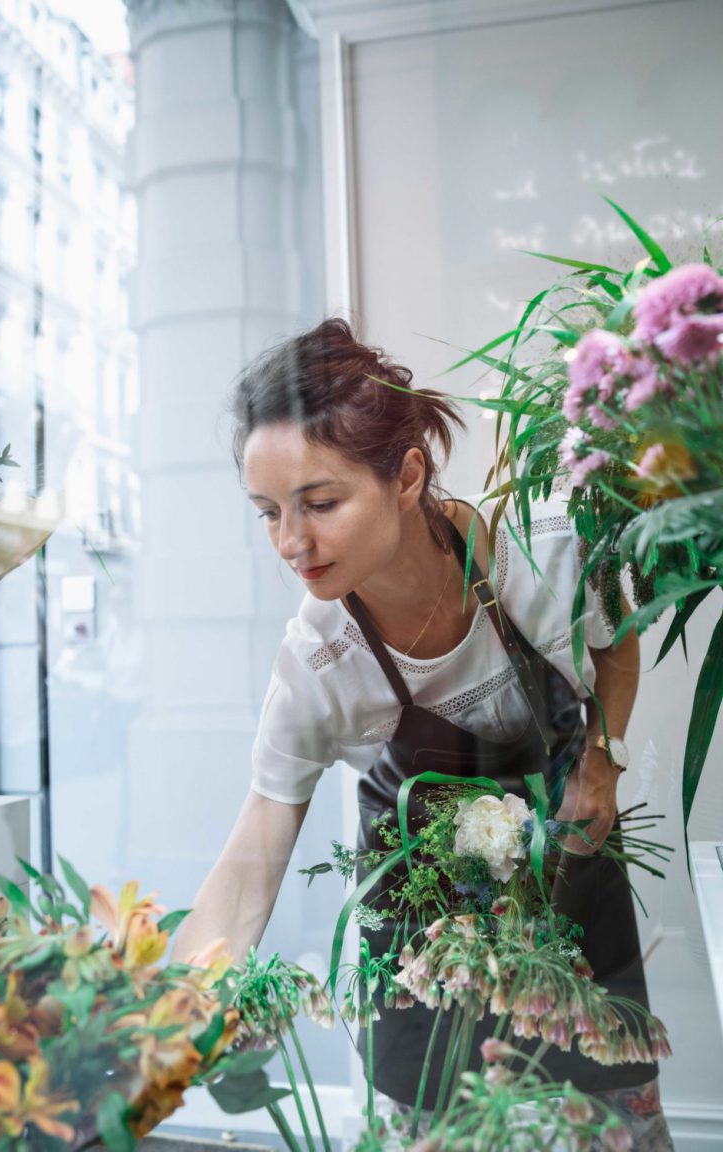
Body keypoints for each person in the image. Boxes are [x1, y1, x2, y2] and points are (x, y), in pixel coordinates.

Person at [173, 318, 673, 1150]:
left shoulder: (539, 546)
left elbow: (617, 637)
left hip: (569, 891)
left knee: (605, 1118)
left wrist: (601, 762)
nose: (292, 543)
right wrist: (171, 1019)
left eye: (320, 503)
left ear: (406, 476)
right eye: (268, 514)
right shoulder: (321, 658)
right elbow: (258, 842)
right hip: (421, 939)